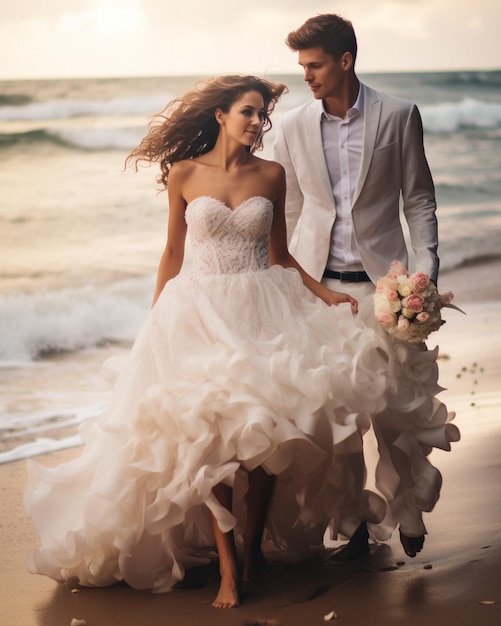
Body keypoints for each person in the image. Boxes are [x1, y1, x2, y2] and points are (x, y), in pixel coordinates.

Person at [25, 75, 457, 610]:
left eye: (262, 115)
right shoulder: (183, 173)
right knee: (212, 440)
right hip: (198, 313)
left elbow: (280, 255)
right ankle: (228, 566)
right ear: (220, 116)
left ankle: (252, 551)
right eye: (248, 113)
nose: (258, 124)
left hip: (262, 311)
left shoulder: (271, 174)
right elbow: (171, 253)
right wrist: (157, 317)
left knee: (263, 437)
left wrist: (326, 295)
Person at [273, 13, 442, 558]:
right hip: (320, 293)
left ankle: (408, 507)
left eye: (315, 64)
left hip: (385, 288)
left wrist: (425, 275)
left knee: (395, 408)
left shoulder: (398, 115)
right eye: (302, 66)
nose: (307, 75)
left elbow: (418, 200)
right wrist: (283, 284)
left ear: (345, 60)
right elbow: (288, 211)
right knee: (337, 415)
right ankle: (353, 518)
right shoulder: (293, 126)